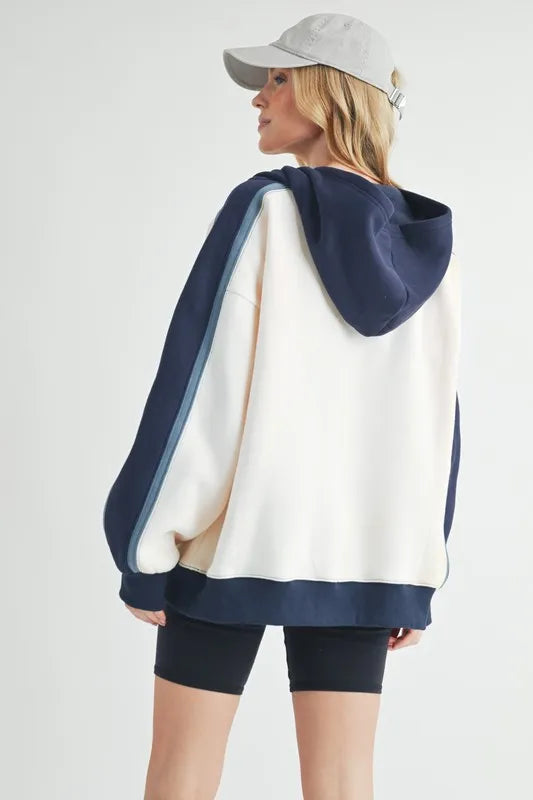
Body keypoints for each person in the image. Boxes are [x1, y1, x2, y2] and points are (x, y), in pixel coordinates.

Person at [102, 13, 461, 800]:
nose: (257, 98)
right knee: (343, 782)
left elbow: (202, 388)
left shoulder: (266, 210)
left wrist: (142, 547)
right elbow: (434, 423)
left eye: (276, 79)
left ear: (329, 92)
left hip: (235, 546)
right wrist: (415, 567)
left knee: (181, 772)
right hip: (367, 560)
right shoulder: (428, 247)